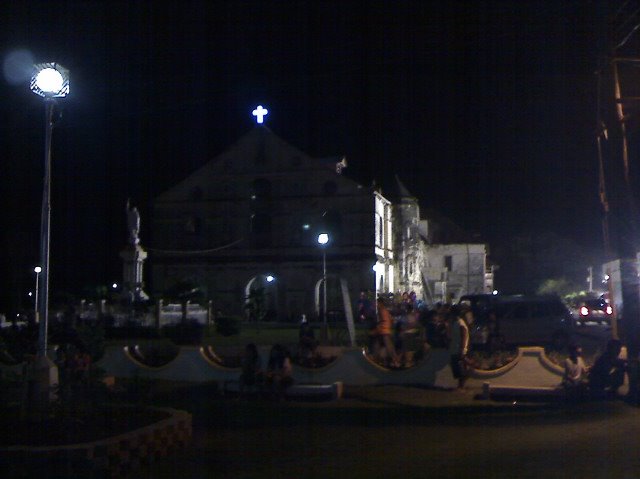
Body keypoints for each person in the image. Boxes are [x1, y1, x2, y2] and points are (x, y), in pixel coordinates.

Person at [449, 305, 473, 389]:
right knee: (457, 368)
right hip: (455, 348)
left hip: (459, 349)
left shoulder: (460, 323)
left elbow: (464, 336)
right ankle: (461, 385)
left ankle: (461, 385)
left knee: (459, 368)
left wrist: (463, 349)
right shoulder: (456, 322)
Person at [376, 297, 401, 368]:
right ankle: (392, 360)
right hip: (386, 330)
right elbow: (391, 319)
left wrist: (380, 326)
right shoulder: (385, 310)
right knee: (387, 346)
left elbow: (383, 321)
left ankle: (395, 361)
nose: (377, 304)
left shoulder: (381, 310)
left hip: (384, 331)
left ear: (380, 303)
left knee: (388, 346)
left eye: (377, 303)